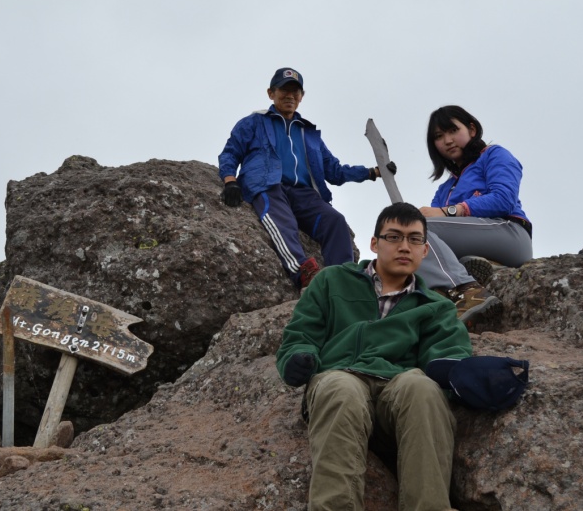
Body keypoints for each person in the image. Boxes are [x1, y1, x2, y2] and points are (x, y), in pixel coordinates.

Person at [276, 202, 472, 510]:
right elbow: (301, 334)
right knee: (341, 389)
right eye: (393, 237)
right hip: (342, 377)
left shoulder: (437, 306)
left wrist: (455, 369)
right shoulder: (331, 280)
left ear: (425, 250)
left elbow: (448, 351)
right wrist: (299, 357)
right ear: (374, 243)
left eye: (414, 239)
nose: (404, 246)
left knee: (423, 388)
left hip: (398, 395)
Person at [218, 67, 394, 289]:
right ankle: (304, 272)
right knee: (284, 221)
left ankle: (343, 278)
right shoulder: (254, 122)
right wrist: (230, 181)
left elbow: (335, 171)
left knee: (335, 221)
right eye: (284, 90)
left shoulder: (308, 133)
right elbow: (230, 152)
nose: (290, 96)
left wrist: (372, 173)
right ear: (271, 93)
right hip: (268, 185)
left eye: (295, 91)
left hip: (304, 193)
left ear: (302, 96)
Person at [416, 105, 532, 328]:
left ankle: (467, 293)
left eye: (452, 131)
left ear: (471, 129)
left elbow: (504, 198)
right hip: (474, 244)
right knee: (413, 243)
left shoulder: (494, 155)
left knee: (419, 230)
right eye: (439, 137)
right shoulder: (445, 188)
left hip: (510, 232)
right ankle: (458, 284)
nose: (447, 140)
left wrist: (449, 211)